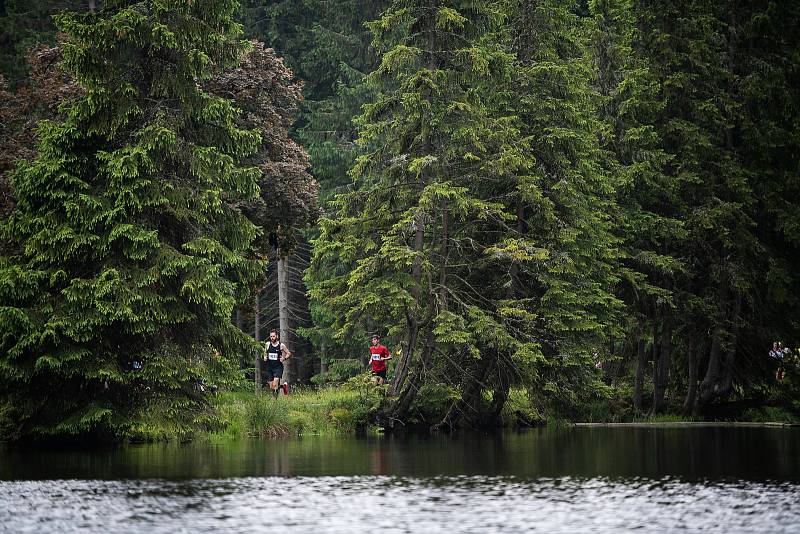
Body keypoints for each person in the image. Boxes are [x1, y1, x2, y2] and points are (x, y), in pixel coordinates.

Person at [263, 329, 291, 395]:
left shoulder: (281, 345)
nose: (272, 338)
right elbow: (264, 353)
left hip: (278, 367)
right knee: (271, 386)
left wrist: (284, 358)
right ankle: (283, 386)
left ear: (277, 336)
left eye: (273, 336)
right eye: (271, 336)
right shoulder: (267, 344)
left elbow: (289, 353)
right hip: (270, 367)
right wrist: (264, 357)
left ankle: (274, 401)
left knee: (275, 383)